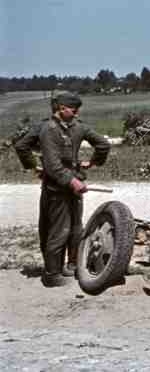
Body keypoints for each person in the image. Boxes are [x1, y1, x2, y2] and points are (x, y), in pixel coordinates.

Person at [14, 92, 110, 287]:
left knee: (74, 228)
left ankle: (71, 267)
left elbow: (103, 144)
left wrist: (91, 163)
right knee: (60, 231)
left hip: (62, 186)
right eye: (73, 110)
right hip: (60, 188)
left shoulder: (61, 126)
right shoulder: (49, 129)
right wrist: (73, 179)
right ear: (61, 108)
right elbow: (53, 165)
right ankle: (53, 274)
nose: (76, 114)